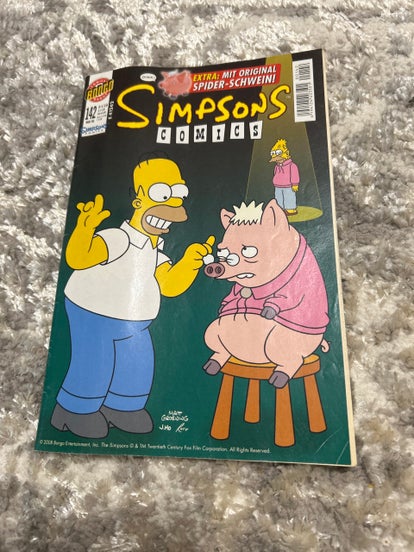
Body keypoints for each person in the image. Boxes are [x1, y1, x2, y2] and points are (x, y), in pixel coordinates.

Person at [51, 154, 214, 438]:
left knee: (137, 360)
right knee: (95, 360)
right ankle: (74, 410)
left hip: (134, 321)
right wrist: (85, 228)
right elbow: (78, 258)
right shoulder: (118, 238)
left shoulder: (154, 249)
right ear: (138, 199)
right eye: (163, 194)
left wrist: (190, 261)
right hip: (92, 312)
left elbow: (169, 285)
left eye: (178, 195)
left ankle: (122, 407)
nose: (171, 209)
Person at [269, 139, 300, 215]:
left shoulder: (292, 166)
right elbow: (275, 174)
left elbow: (295, 175)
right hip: (277, 186)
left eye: (279, 158)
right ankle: (280, 209)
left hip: (288, 186)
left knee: (289, 197)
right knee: (278, 198)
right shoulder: (277, 167)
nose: (277, 160)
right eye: (276, 159)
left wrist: (295, 184)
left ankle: (290, 209)